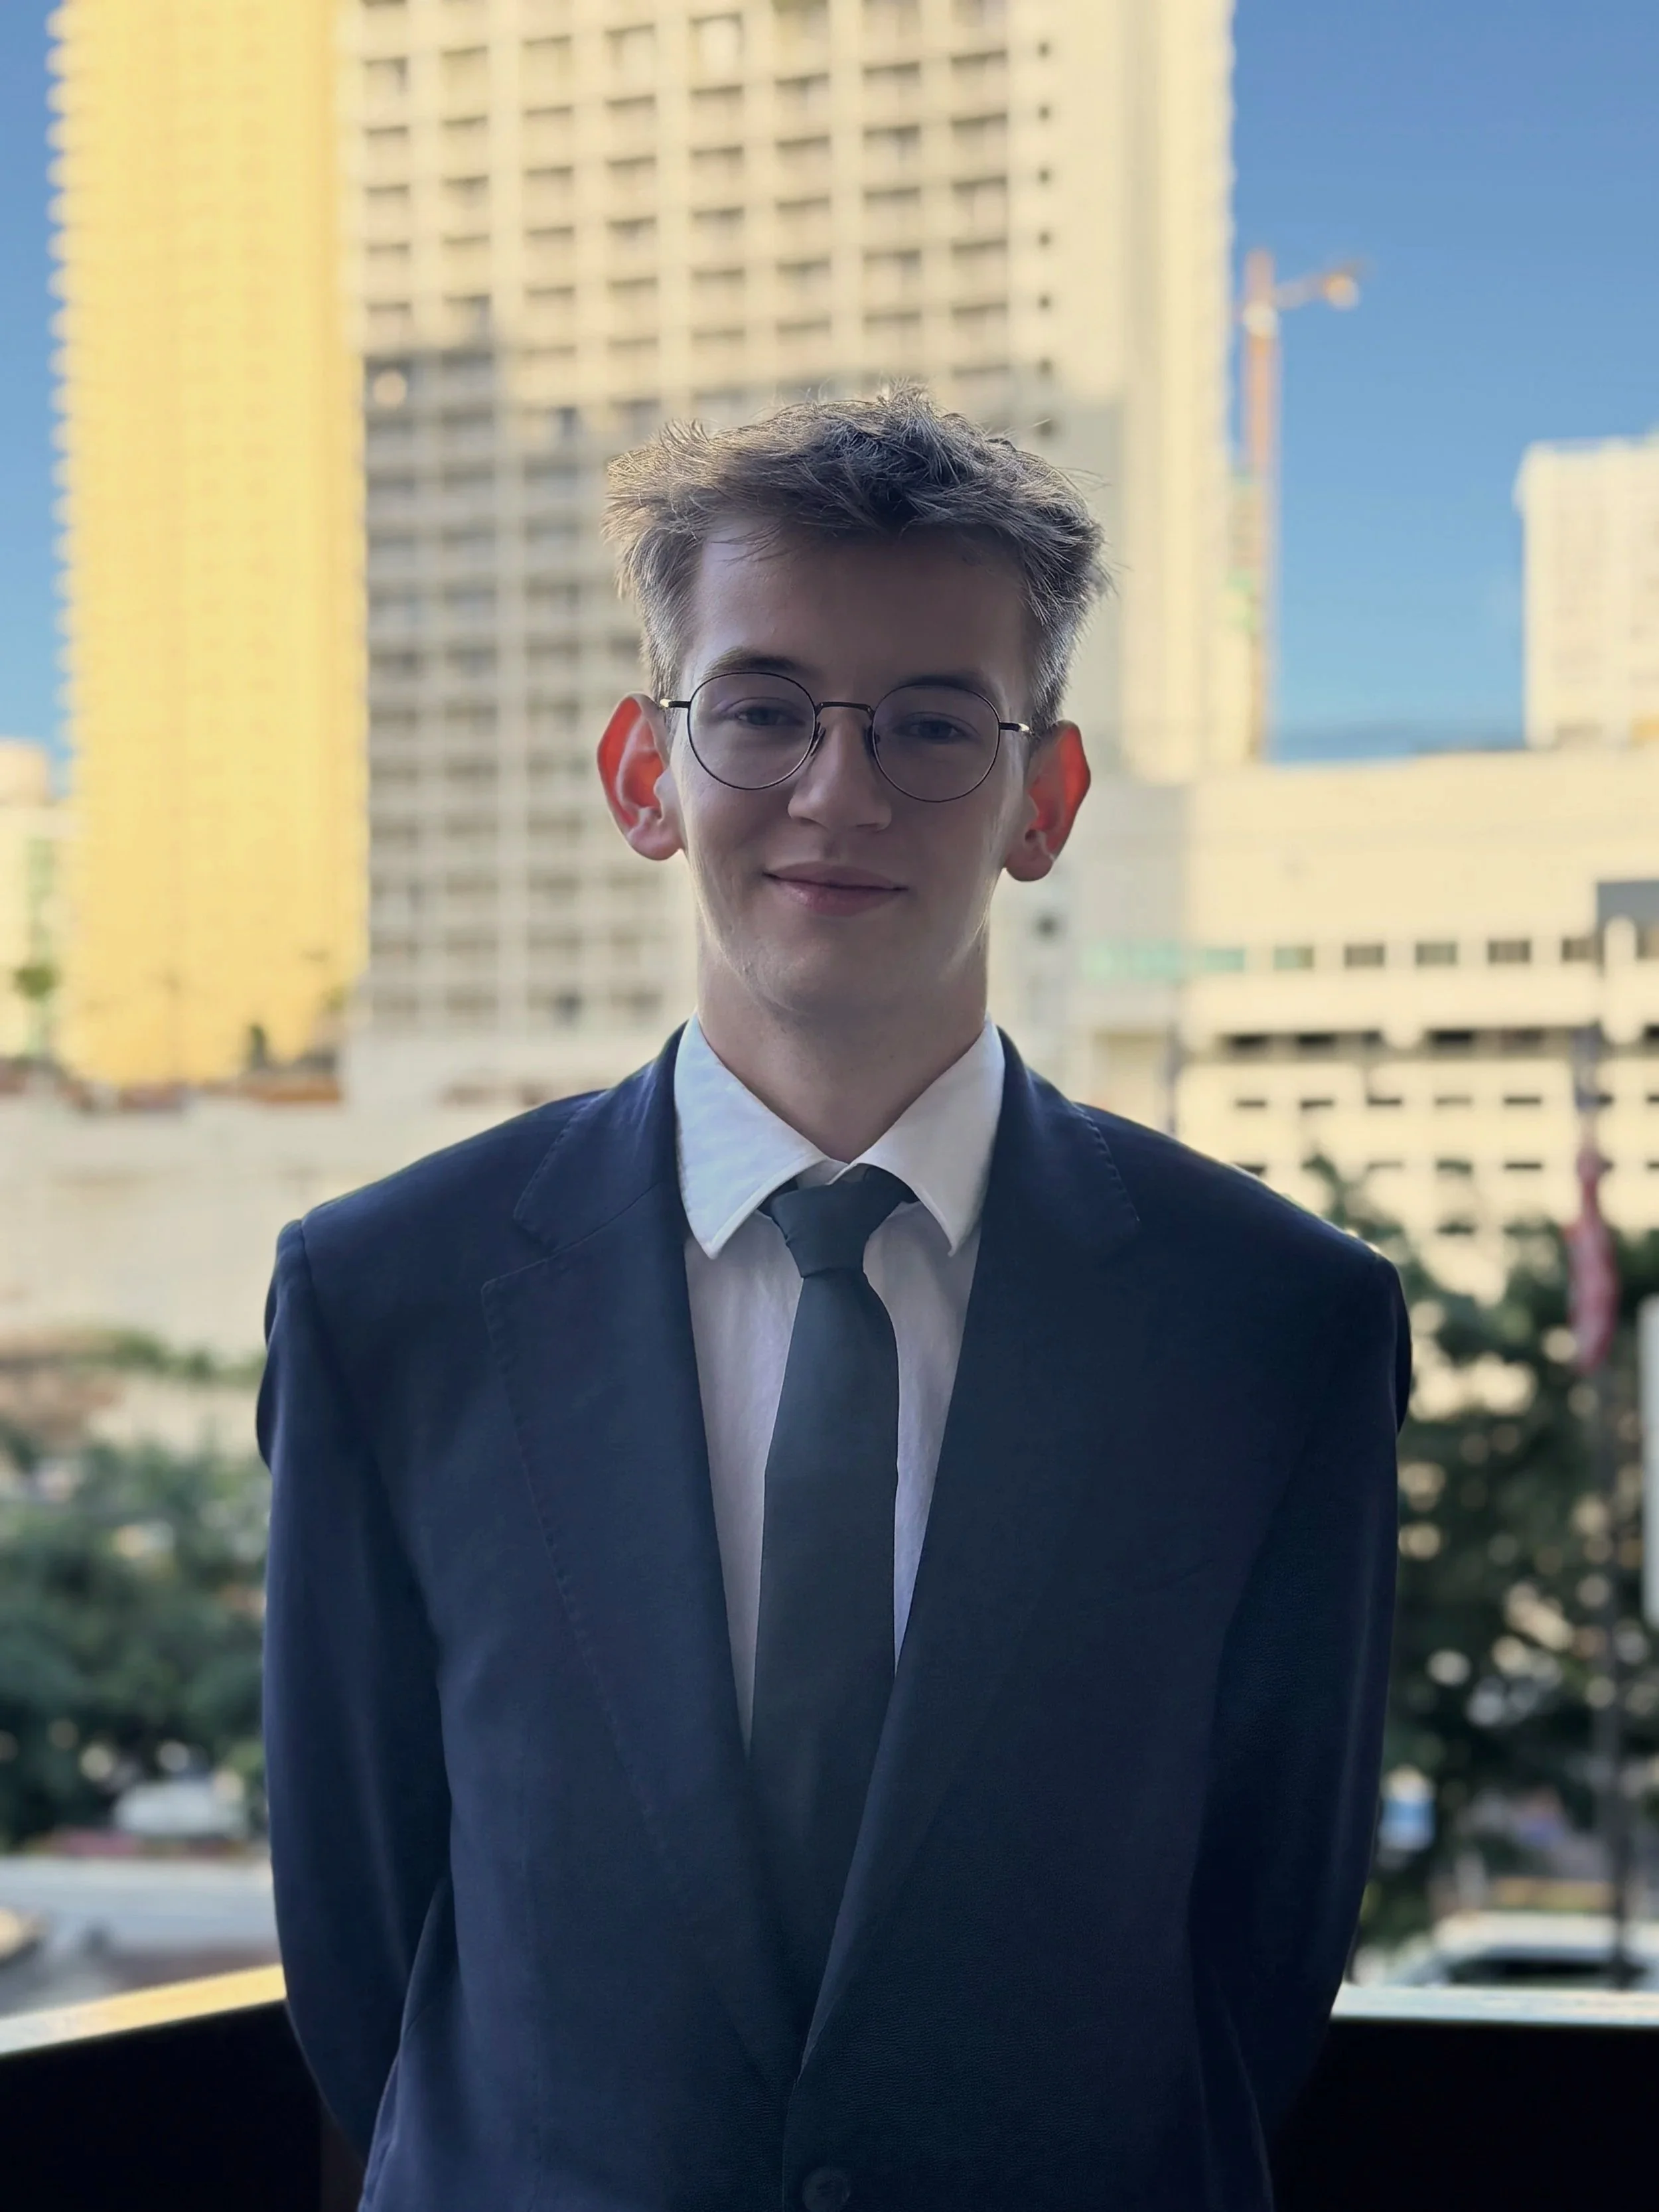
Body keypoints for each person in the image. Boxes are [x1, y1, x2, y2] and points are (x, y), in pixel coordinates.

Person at [260, 388, 1409, 2211]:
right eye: (764, 708)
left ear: (1046, 799)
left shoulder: (1274, 1323)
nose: (837, 788)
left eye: (935, 722)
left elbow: (1263, 1938)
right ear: (647, 775)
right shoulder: (383, 1297)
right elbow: (356, 1929)